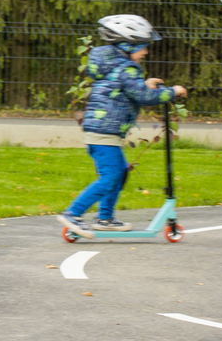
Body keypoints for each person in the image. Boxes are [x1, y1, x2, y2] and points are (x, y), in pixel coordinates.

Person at [56, 14, 187, 238]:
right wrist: (172, 92)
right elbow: (143, 96)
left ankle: (105, 218)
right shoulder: (126, 68)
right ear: (128, 46)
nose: (146, 52)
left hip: (102, 130)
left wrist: (146, 84)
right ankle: (73, 213)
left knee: (119, 174)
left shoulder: (115, 66)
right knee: (110, 176)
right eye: (143, 47)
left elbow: (124, 89)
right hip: (104, 132)